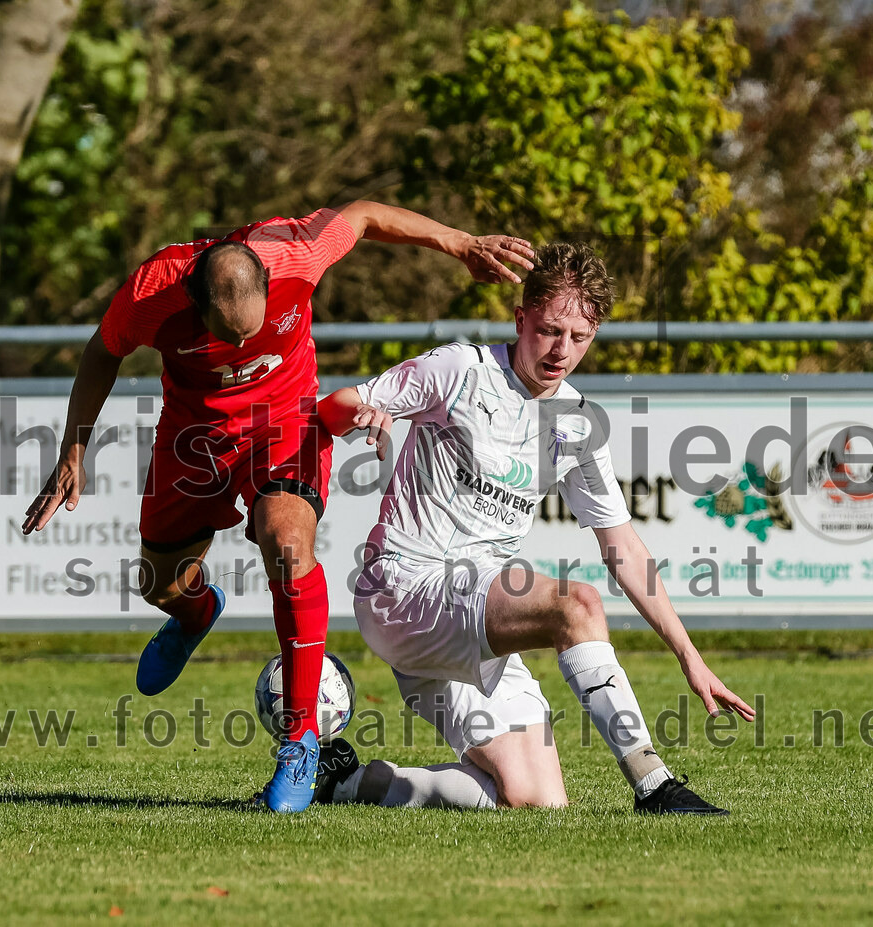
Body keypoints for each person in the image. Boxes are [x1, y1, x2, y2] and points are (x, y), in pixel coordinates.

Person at [21, 201, 534, 813]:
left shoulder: (296, 251)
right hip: (195, 436)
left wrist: (460, 243)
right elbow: (102, 352)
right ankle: (194, 613)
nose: (243, 347)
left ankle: (300, 740)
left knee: (286, 544)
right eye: (227, 336)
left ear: (269, 283)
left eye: (253, 331)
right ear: (194, 301)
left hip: (285, 424)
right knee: (160, 585)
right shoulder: (150, 292)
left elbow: (364, 216)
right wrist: (73, 449)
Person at [316, 242, 755, 813]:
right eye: (549, 330)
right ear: (520, 318)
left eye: (579, 337)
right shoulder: (461, 370)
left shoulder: (577, 424)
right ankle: (656, 786)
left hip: (471, 612)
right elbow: (335, 406)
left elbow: (621, 544)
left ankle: (348, 781)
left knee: (535, 799)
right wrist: (363, 412)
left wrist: (688, 655)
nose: (562, 350)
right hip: (404, 588)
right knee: (576, 605)